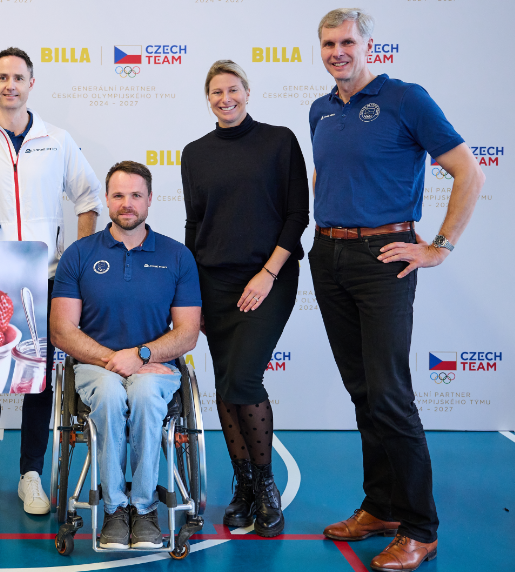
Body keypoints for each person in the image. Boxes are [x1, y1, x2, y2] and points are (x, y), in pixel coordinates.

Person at [309, 9, 484, 572]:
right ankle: (381, 507)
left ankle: (420, 527)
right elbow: (330, 177)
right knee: (363, 391)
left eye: (347, 41)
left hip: (384, 257)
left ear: (369, 46)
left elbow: (469, 172)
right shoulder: (321, 109)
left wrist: (439, 246)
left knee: (389, 394)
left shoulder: (406, 98)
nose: (338, 52)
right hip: (328, 255)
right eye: (328, 43)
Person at [0, 47, 103, 515]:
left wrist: (77, 260)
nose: (10, 85)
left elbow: (88, 199)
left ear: (31, 84)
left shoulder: (57, 139)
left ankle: (31, 474)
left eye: (18, 77)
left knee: (38, 382)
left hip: (46, 277)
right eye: (2, 77)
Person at [181, 60, 309, 537]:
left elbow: (297, 215)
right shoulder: (195, 153)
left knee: (244, 379)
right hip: (213, 283)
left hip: (268, 279)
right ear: (208, 99)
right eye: (216, 92)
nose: (225, 98)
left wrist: (267, 273)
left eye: (232, 89)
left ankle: (266, 485)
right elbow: (195, 224)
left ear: (248, 92)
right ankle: (245, 486)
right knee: (225, 383)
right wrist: (191, 292)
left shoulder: (279, 141)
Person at [50, 161, 201, 549]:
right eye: (118, 195)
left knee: (146, 394)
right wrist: (114, 360)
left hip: (155, 366)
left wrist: (142, 355)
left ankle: (145, 508)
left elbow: (187, 333)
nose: (127, 203)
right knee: (111, 392)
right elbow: (62, 330)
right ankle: (115, 509)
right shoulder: (79, 254)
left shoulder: (177, 255)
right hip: (95, 367)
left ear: (150, 200)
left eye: (136, 195)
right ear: (106, 199)